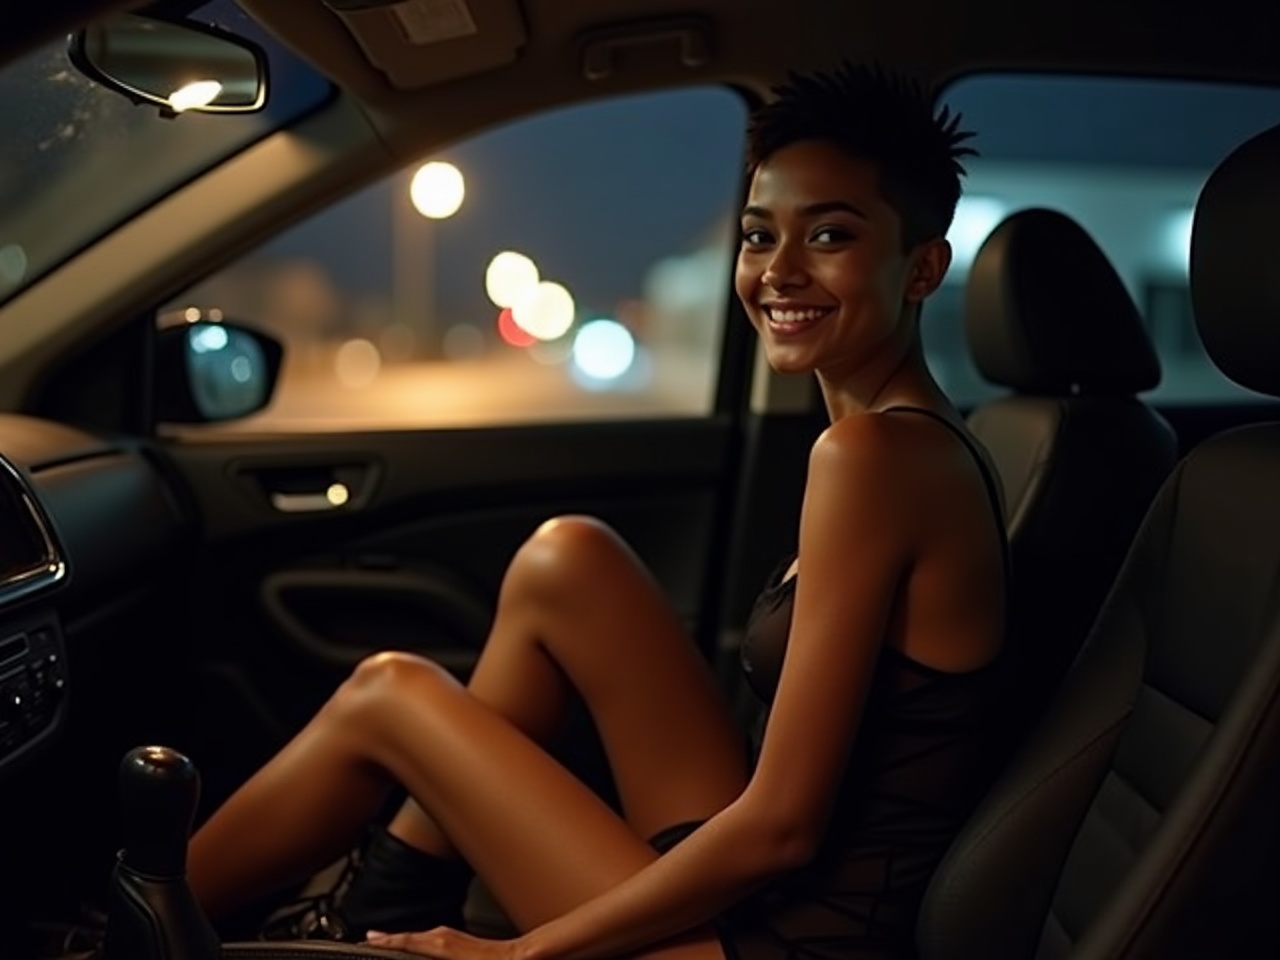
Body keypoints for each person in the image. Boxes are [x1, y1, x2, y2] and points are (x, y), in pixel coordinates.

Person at [186, 62, 1009, 960]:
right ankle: (359, 916)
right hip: (779, 893)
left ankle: (134, 927)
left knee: (392, 692)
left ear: (922, 267)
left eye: (831, 236)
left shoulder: (875, 457)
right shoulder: (920, 439)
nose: (779, 272)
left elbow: (781, 829)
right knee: (568, 560)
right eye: (759, 235)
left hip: (783, 942)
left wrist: (517, 955)